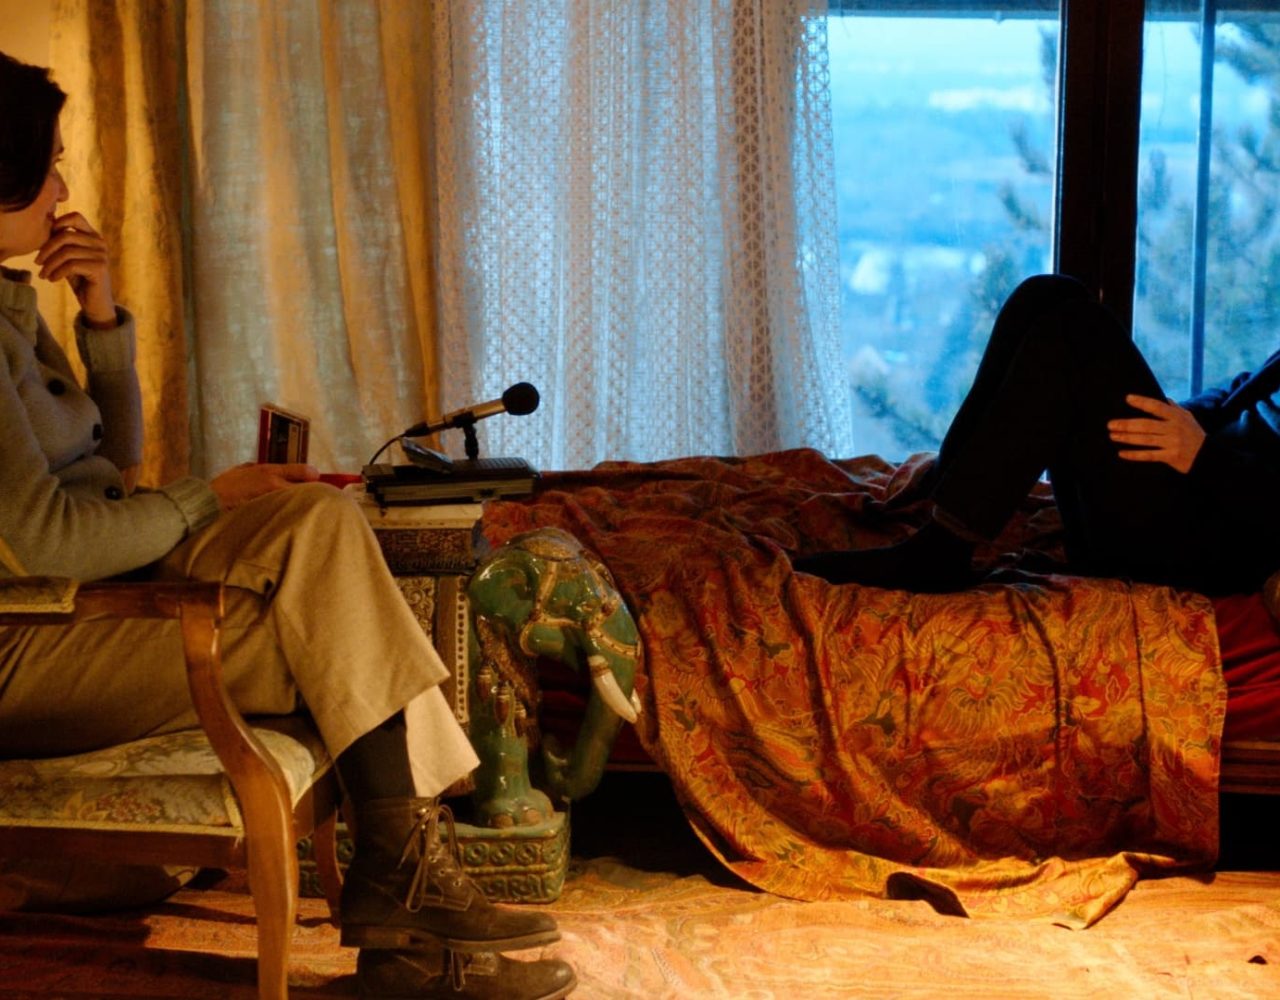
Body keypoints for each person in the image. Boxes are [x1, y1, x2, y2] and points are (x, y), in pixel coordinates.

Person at [0, 51, 574, 1000]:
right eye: (50, 165)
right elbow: (50, 543)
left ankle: (404, 913)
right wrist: (208, 498)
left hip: (96, 592)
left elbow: (114, 467)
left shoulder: (13, 305)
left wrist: (102, 320)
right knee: (334, 636)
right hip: (31, 641)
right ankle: (411, 924)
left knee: (317, 515)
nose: (64, 189)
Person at [794, 273, 1280, 597]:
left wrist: (1201, 456)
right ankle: (949, 495)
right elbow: (1244, 391)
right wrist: (1178, 416)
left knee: (1078, 329)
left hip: (1208, 546)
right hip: (1187, 487)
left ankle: (940, 553)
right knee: (1048, 294)